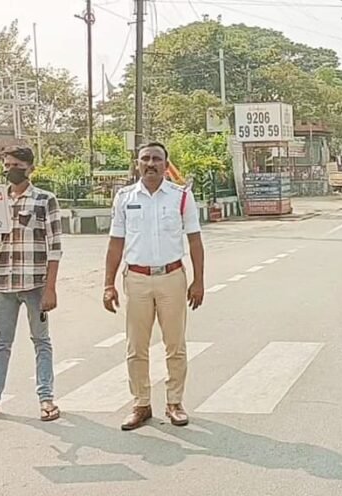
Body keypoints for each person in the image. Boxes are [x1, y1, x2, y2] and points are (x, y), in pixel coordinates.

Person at [103, 142, 206, 431]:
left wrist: (199, 281)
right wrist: (108, 284)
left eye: (157, 159)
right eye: (145, 159)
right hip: (136, 279)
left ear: (165, 164)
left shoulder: (181, 196)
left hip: (172, 278)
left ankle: (175, 402)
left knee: (175, 344)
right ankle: (141, 404)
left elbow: (195, 240)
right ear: (137, 164)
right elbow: (115, 243)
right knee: (136, 346)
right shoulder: (124, 197)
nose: (151, 164)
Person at [0, 146, 63, 425]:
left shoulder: (45, 200)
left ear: (30, 168)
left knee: (41, 341)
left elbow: (54, 248)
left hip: (35, 284)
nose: (10, 170)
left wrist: (50, 288)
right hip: (4, 283)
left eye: (16, 165)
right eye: (6, 165)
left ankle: (46, 398)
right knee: (1, 342)